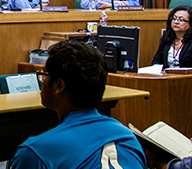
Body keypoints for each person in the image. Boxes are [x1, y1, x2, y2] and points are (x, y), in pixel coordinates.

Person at [11, 40, 146, 169]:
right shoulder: (128, 138)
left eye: (44, 74)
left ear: (59, 85)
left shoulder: (35, 153)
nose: (42, 81)